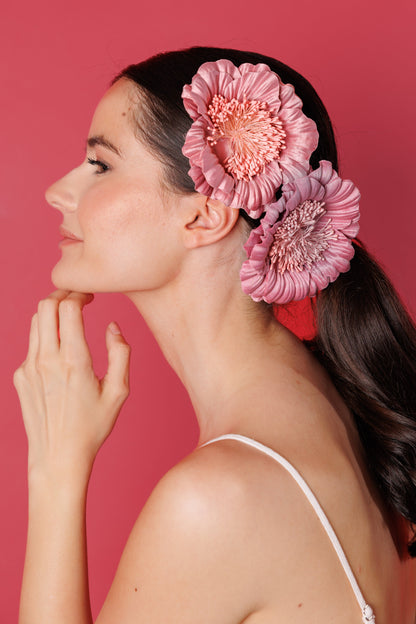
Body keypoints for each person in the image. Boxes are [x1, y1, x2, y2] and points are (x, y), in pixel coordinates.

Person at [13, 46, 416, 624]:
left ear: (204, 215)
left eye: (100, 165)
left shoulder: (217, 501)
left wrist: (56, 468)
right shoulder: (352, 419)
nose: (58, 191)